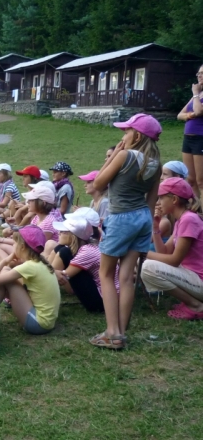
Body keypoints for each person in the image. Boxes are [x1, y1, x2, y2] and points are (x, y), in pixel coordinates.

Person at [90, 113, 162, 349]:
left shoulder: (124, 156)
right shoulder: (156, 164)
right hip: (142, 218)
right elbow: (151, 201)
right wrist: (146, 233)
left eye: (127, 131)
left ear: (137, 136)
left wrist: (113, 157)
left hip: (121, 218)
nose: (123, 135)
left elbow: (98, 184)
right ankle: (120, 331)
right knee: (126, 276)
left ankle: (112, 333)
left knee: (106, 274)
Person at [141, 178, 203, 320]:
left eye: (161, 198)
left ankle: (196, 306)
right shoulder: (182, 219)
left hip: (199, 279)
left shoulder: (189, 219)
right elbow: (164, 253)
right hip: (193, 276)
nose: (158, 202)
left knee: (147, 267)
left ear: (174, 199)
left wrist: (143, 252)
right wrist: (155, 228)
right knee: (145, 264)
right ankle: (191, 301)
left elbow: (174, 260)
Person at [0, 226, 60, 335]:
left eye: (14, 243)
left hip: (38, 324)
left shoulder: (29, 267)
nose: (13, 245)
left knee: (4, 274)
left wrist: (4, 262)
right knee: (6, 272)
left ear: (22, 247)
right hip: (47, 322)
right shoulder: (39, 261)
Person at [49, 218, 119, 313]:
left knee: (64, 253)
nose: (58, 233)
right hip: (110, 295)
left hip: (103, 302)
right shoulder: (90, 245)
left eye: (63, 231)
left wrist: (53, 272)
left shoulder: (87, 252)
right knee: (63, 251)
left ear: (73, 235)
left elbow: (63, 277)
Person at [0, 183, 62, 262]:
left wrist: (3, 239)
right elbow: (26, 241)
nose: (28, 202)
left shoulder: (47, 223)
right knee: (0, 245)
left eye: (31, 200)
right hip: (32, 253)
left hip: (37, 258)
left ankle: (8, 267)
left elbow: (32, 248)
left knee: (1, 247)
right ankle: (8, 266)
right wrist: (0, 239)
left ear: (43, 203)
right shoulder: (37, 218)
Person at [177, 65, 203, 196]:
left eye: (202, 73)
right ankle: (197, 207)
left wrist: (195, 94)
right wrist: (191, 115)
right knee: (191, 180)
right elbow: (179, 115)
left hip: (200, 138)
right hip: (188, 138)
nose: (199, 76)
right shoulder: (197, 96)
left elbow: (199, 111)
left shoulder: (196, 95)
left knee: (201, 181)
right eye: (198, 73)